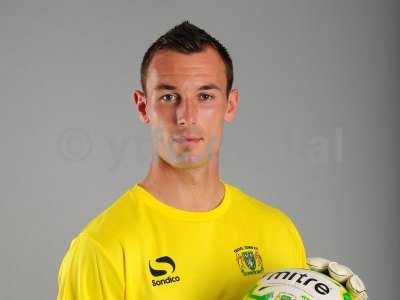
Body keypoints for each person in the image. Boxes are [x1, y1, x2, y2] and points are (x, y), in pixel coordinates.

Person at [56, 21, 367, 300]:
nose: (186, 117)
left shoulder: (278, 233)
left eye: (205, 97)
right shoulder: (103, 248)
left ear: (230, 106)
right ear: (143, 106)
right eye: (168, 96)